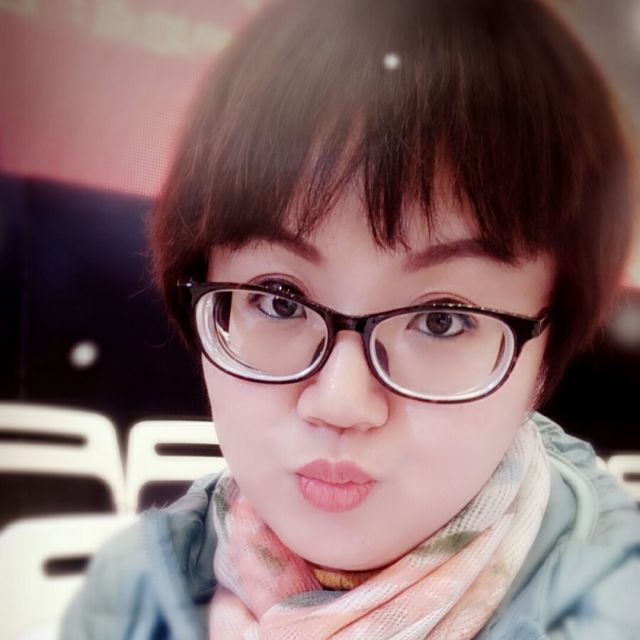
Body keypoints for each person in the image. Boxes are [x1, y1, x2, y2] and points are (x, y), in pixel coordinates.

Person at [62, 0, 640, 637]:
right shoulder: (133, 594)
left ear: (545, 356)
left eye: (443, 319)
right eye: (278, 300)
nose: (340, 402)